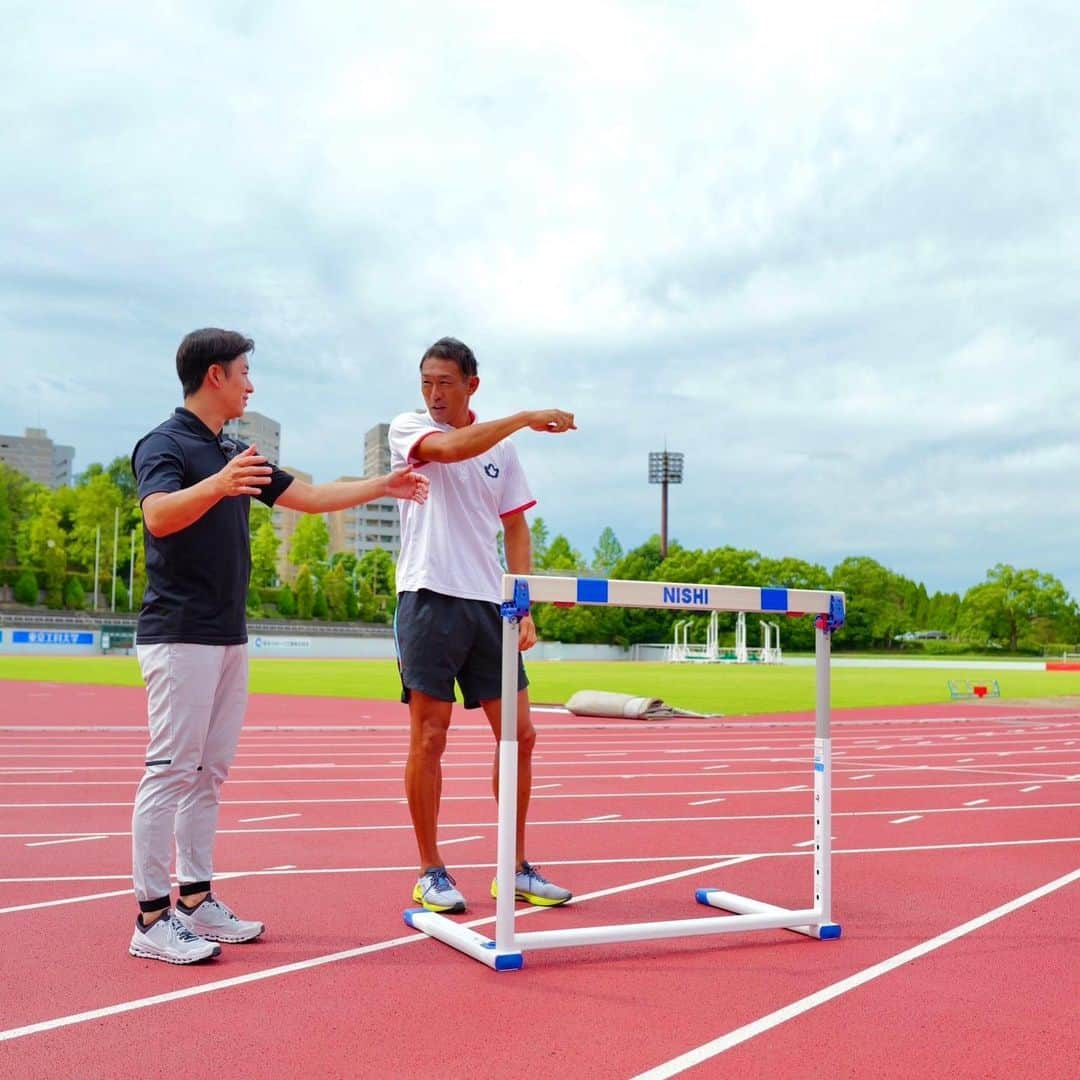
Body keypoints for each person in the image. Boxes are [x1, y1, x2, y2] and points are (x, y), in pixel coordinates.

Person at [128, 327, 429, 965]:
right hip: (178, 633)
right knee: (171, 771)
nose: (250, 384)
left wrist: (385, 486)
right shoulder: (164, 443)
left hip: (227, 634)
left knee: (209, 774)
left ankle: (195, 899)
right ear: (215, 376)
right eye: (243, 373)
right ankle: (151, 917)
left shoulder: (235, 450)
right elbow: (157, 516)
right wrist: (220, 484)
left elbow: (313, 499)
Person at [389, 336, 576, 914]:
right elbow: (445, 452)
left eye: (445, 382)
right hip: (427, 597)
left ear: (473, 384)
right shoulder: (409, 428)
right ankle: (430, 869)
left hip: (487, 604)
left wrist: (523, 603)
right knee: (430, 736)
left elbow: (516, 528)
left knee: (520, 735)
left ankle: (513, 866)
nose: (434, 393)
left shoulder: (503, 454)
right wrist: (522, 418)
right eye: (426, 381)